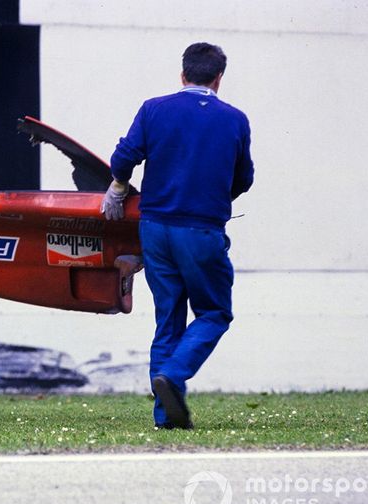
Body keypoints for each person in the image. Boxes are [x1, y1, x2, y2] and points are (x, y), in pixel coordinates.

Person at [101, 43, 254, 429]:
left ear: (182, 74)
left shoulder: (154, 108)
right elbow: (244, 179)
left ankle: (165, 416)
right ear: (219, 78)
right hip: (201, 232)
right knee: (214, 312)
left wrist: (119, 185)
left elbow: (124, 157)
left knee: (168, 318)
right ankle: (174, 375)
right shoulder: (235, 120)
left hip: (154, 229)